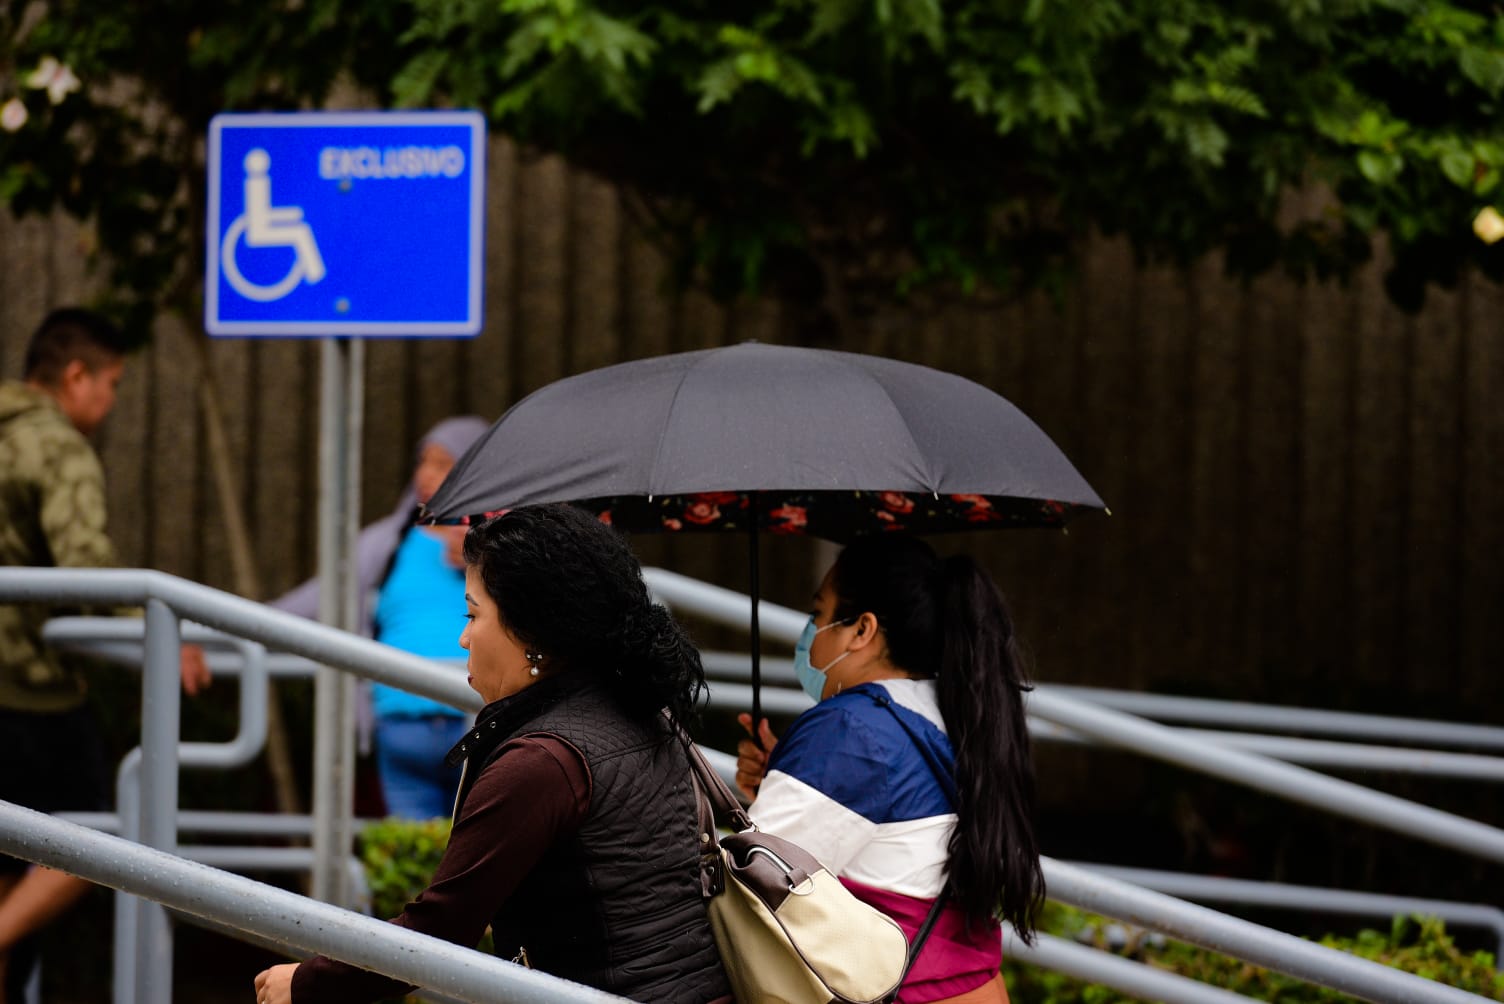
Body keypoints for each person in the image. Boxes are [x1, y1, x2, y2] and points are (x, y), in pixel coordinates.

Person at [254, 504, 731, 1004]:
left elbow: (441, 929)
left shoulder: (543, 761)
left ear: (533, 632)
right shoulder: (641, 709)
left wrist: (305, 985)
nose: (463, 637)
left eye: (473, 614)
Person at [0, 308, 211, 1002]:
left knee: (11, 862)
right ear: (75, 375)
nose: (113, 402)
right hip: (29, 688)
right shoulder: (55, 447)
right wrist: (153, 630)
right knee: (94, 840)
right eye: (113, 383)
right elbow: (84, 567)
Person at [734, 534, 1044, 1004]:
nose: (810, 634)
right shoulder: (955, 712)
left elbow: (749, 888)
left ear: (861, 630)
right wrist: (787, 777)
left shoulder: (850, 732)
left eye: (819, 614)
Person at [271, 416, 488, 818]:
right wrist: (203, 627)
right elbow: (314, 599)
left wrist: (488, 551)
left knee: (476, 862)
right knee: (410, 864)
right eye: (423, 461)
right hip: (399, 725)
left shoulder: (507, 539)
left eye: (443, 463)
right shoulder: (390, 541)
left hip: (482, 726)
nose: (425, 475)